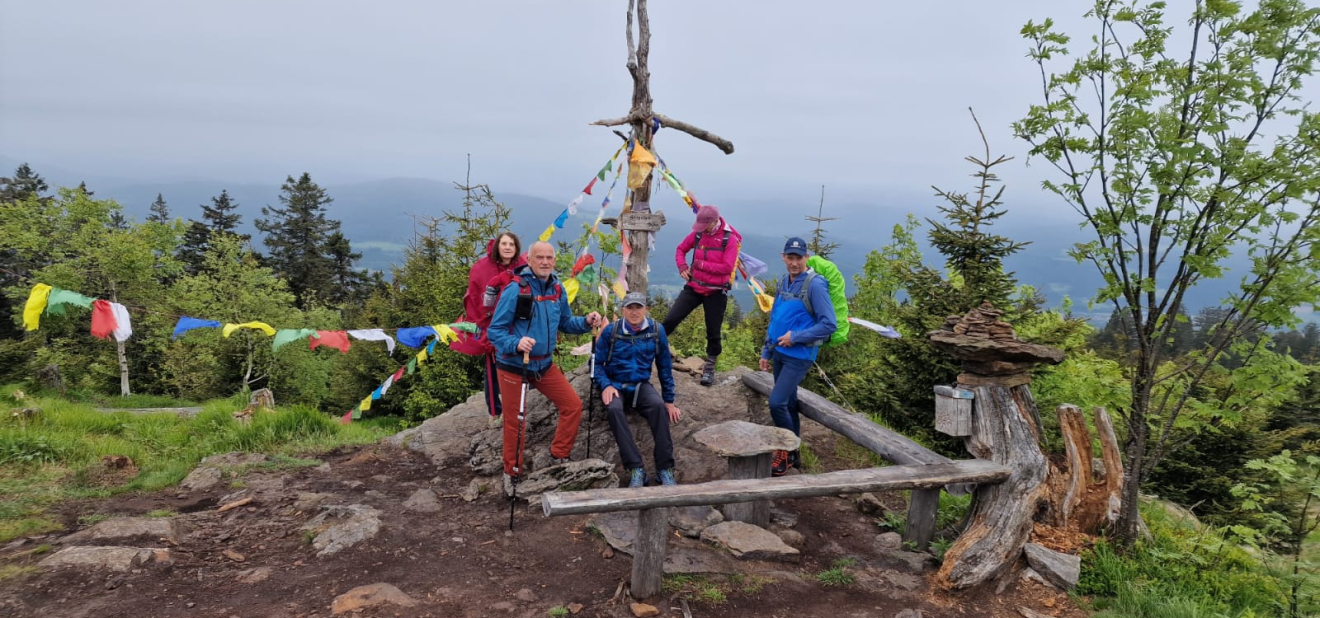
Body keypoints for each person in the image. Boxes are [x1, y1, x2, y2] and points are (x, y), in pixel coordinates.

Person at [488, 241, 604, 481]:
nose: (545, 262)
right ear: (529, 260)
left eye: (549, 257)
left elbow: (565, 322)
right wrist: (516, 344)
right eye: (539, 257)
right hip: (514, 365)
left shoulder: (557, 289)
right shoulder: (516, 289)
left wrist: (585, 322)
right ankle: (513, 470)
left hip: (543, 364)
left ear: (554, 260)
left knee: (572, 405)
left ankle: (558, 455)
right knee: (515, 421)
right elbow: (495, 331)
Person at [759, 237, 838, 477]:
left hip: (799, 355)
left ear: (807, 257)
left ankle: (785, 452)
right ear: (783, 257)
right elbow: (775, 319)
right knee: (789, 404)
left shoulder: (815, 285)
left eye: (798, 258)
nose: (794, 262)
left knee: (776, 403)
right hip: (780, 353)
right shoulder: (784, 281)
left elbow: (829, 324)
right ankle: (795, 454)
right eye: (790, 257)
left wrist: (797, 337)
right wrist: (767, 351)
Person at [595, 292, 682, 487]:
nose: (634, 312)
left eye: (638, 307)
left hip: (641, 385)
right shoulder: (611, 331)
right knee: (614, 409)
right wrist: (605, 385)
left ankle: (664, 469)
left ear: (646, 309)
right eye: (630, 308)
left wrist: (669, 401)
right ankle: (636, 469)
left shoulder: (656, 331)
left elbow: (664, 367)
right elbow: (597, 363)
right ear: (623, 310)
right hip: (615, 383)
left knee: (658, 407)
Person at [662, 205, 742, 387]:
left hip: (716, 291)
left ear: (715, 221)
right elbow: (680, 249)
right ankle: (650, 350)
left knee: (713, 332)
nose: (701, 228)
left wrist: (700, 264)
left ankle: (709, 369)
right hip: (694, 286)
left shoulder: (729, 239)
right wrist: (682, 267)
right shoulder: (698, 235)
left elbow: (727, 268)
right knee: (671, 319)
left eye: (704, 224)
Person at [450, 232, 526, 418]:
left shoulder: (523, 266)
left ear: (516, 248)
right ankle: (495, 412)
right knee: (492, 370)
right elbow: (475, 298)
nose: (508, 247)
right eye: (504, 244)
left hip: (518, 325)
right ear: (497, 247)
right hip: (492, 325)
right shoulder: (481, 268)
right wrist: (484, 326)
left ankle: (521, 407)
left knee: (521, 366)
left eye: (511, 244)